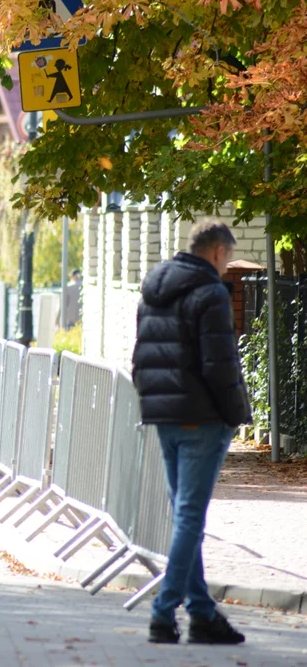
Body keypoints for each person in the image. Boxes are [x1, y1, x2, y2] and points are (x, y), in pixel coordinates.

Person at [132, 219, 251, 646]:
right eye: (226, 260)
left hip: (164, 416)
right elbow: (220, 366)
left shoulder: (155, 287)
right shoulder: (211, 294)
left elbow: (140, 357)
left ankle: (202, 615)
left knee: (184, 517)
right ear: (218, 252)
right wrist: (237, 415)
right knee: (189, 518)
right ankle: (164, 613)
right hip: (203, 419)